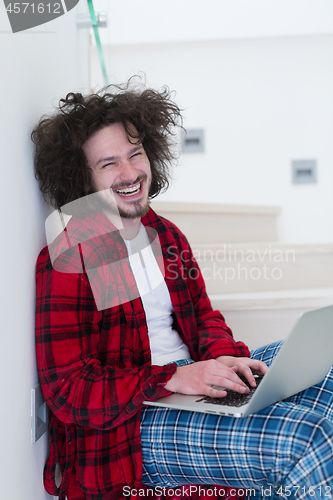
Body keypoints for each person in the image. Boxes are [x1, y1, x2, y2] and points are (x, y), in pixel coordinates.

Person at [32, 82, 333, 500]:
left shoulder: (164, 233)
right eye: (109, 164)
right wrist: (175, 377)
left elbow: (203, 316)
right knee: (307, 440)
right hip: (135, 424)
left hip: (191, 382)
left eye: (135, 154)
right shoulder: (73, 252)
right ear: (82, 177)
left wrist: (225, 358)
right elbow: (69, 390)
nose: (130, 173)